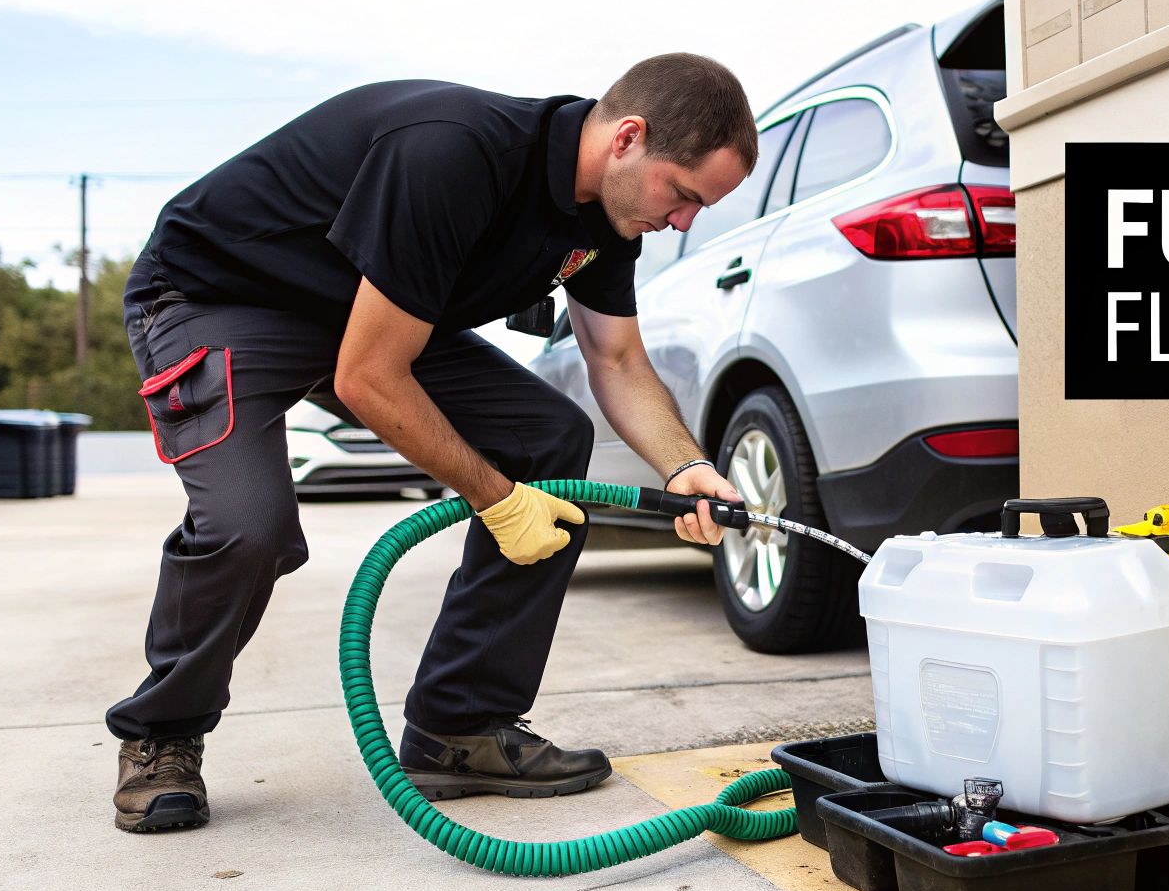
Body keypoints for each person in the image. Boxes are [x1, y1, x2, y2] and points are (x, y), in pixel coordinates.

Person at [109, 55, 757, 833]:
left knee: (549, 439)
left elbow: (616, 359)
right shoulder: (452, 152)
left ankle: (460, 727)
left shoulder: (608, 216)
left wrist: (688, 466)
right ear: (628, 137)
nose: (682, 223)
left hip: (364, 310)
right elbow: (369, 378)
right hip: (219, 298)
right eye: (683, 195)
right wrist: (496, 498)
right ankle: (163, 735)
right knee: (249, 526)